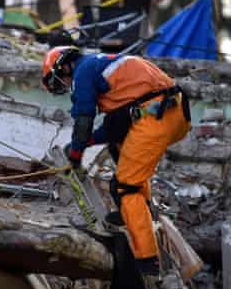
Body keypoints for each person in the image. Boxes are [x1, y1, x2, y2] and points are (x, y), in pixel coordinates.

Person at [42, 46, 191, 275]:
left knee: (124, 186)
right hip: (170, 112)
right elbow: (115, 126)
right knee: (120, 147)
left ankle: (147, 260)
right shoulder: (100, 65)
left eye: (60, 80)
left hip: (157, 117)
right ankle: (140, 212)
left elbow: (84, 119)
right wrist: (89, 142)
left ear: (64, 66)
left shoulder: (82, 72)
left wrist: (75, 155)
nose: (64, 84)